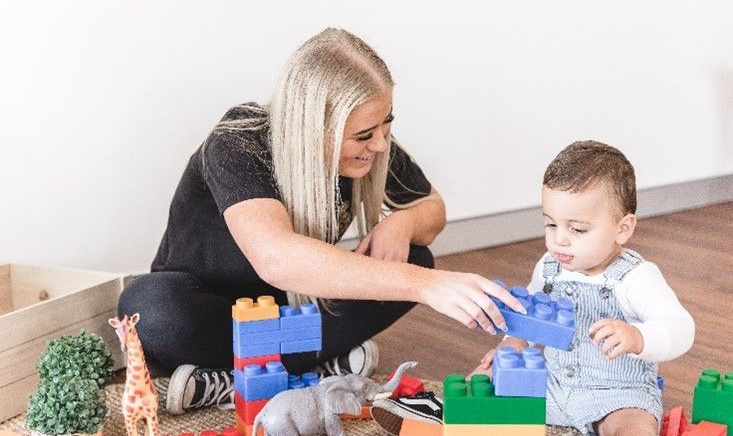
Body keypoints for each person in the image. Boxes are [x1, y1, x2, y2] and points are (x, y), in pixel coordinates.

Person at [117, 28, 525, 415]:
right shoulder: (239, 140)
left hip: (291, 314)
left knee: (416, 256)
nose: (380, 144)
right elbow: (275, 259)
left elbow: (432, 210)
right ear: (313, 127)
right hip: (210, 312)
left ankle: (243, 378)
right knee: (147, 308)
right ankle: (306, 368)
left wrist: (402, 221)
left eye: (386, 126)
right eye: (365, 134)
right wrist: (427, 287)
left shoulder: (371, 143)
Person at [471, 141, 707, 436]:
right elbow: (530, 316)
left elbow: (681, 328)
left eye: (577, 229)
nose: (559, 241)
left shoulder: (635, 278)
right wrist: (513, 344)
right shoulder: (549, 266)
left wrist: (638, 337)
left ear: (622, 229)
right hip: (550, 384)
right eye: (551, 225)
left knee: (632, 431)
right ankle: (442, 416)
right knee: (485, 380)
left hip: (616, 394)